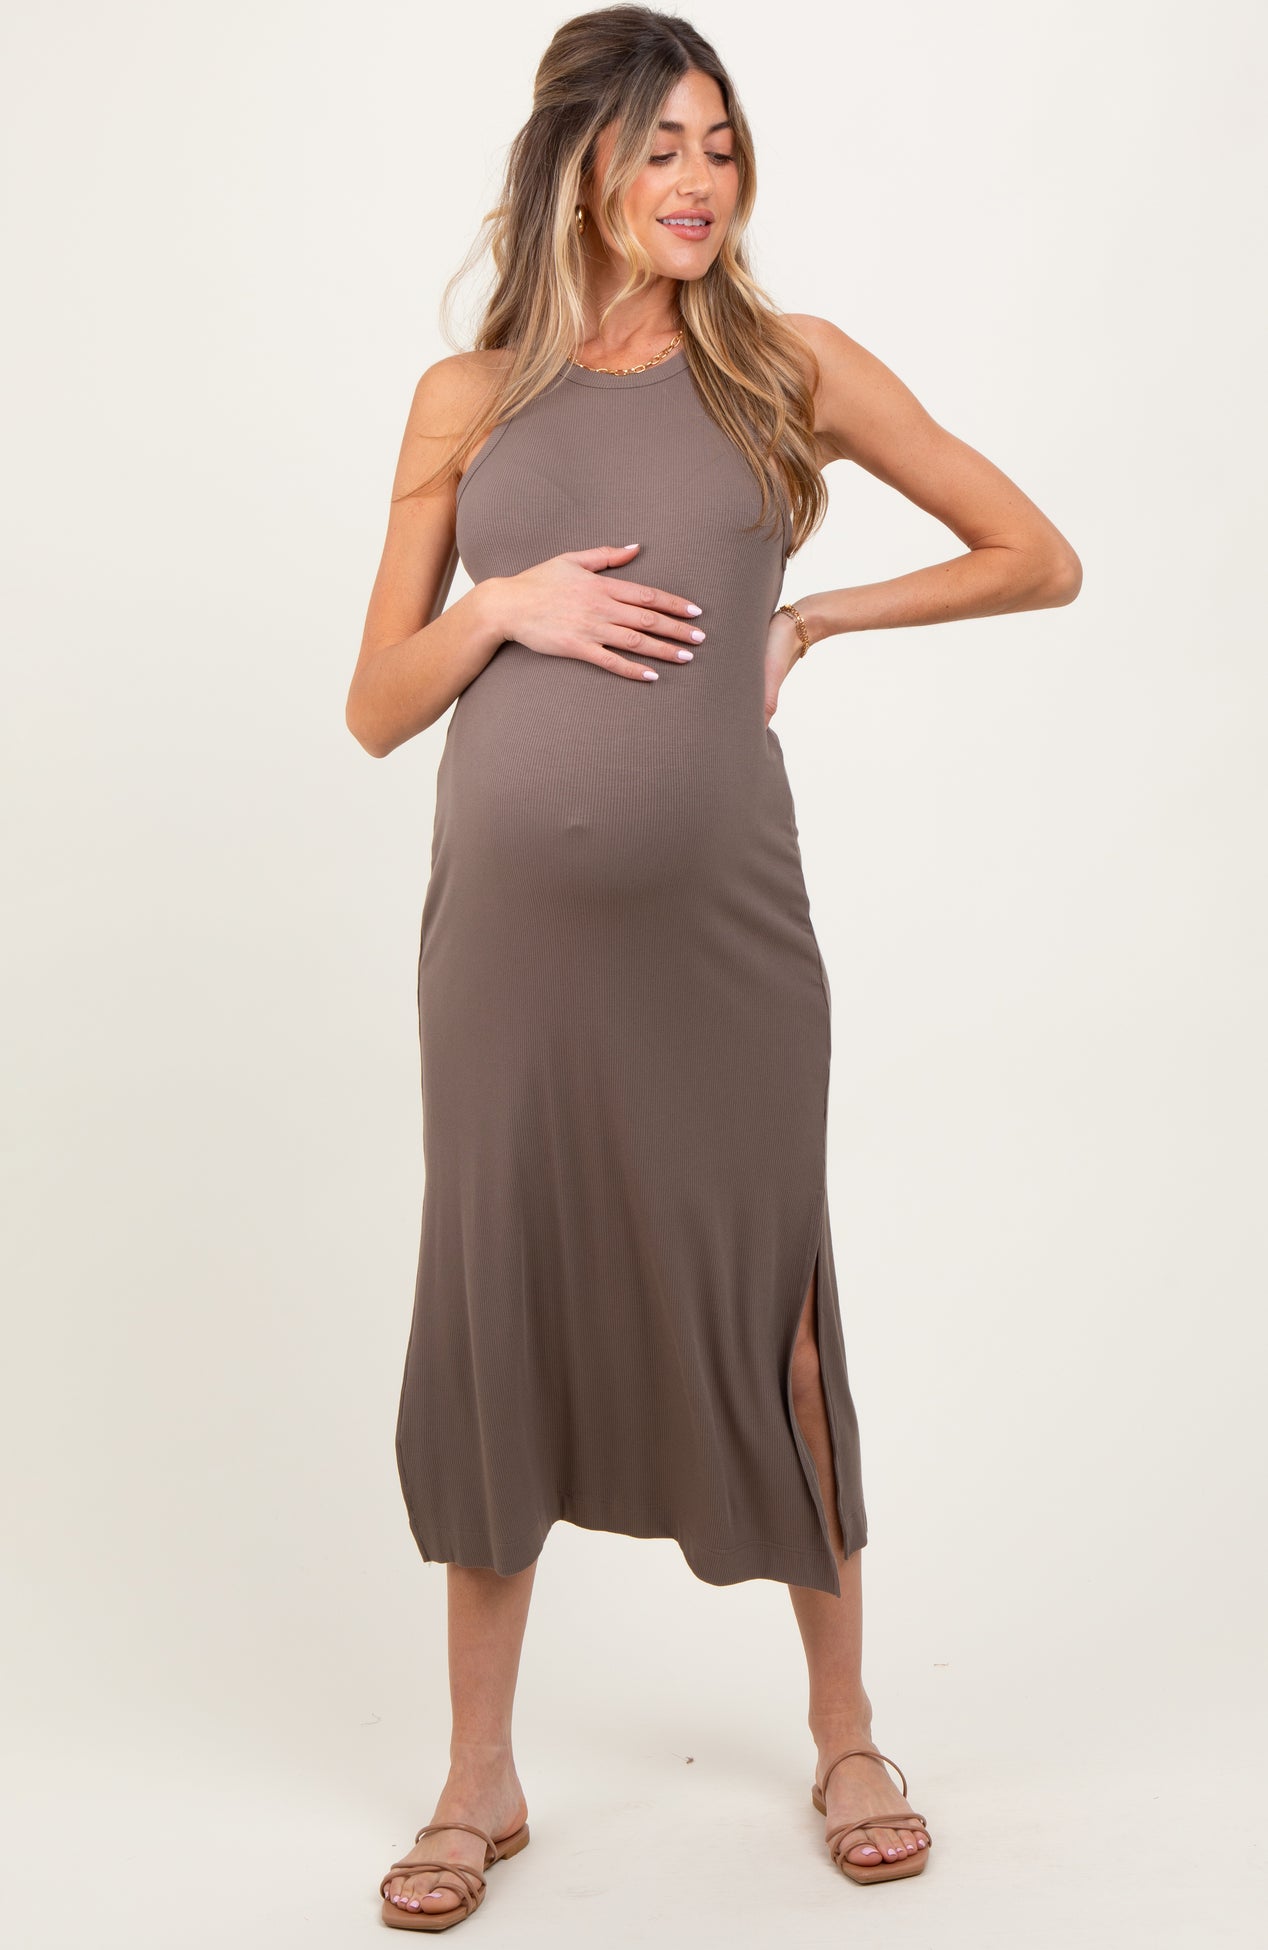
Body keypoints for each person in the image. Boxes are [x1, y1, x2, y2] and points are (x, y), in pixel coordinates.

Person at [346, 5, 1080, 1929]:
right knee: (496, 1303)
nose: (698, 181)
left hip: (724, 943)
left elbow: (1035, 552)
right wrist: (501, 607)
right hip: (505, 955)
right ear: (579, 162)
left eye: (722, 145)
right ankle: (478, 1775)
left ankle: (848, 1731)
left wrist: (818, 614)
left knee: (780, 1312)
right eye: (662, 145)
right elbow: (375, 703)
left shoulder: (785, 365)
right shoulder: (462, 398)